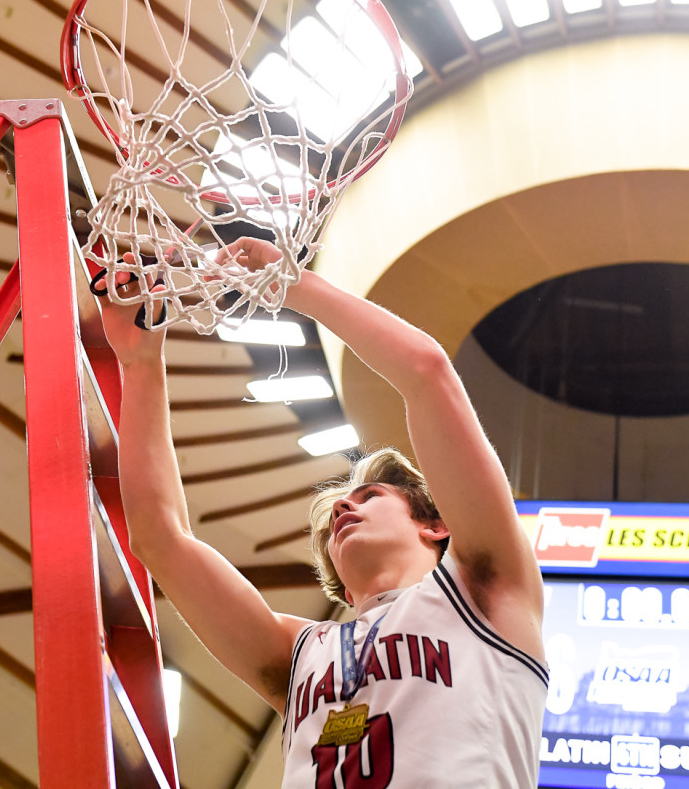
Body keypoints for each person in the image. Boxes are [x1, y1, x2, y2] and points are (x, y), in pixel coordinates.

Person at [95, 237, 548, 787]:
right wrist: (141, 363)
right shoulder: (297, 651)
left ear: (436, 524)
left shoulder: (485, 588)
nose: (343, 507)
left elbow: (427, 374)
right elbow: (159, 538)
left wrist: (292, 286)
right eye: (340, 505)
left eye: (369, 497)